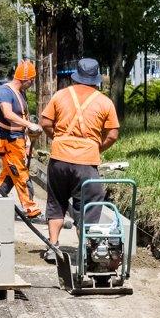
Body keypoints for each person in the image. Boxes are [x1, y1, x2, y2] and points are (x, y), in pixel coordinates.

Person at [39, 57, 119, 263]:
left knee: (56, 202)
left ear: (77, 77)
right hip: (86, 163)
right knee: (88, 205)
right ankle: (86, 249)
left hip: (59, 159)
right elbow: (112, 135)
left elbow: (45, 123)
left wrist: (58, 139)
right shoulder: (104, 102)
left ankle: (53, 246)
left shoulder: (60, 95)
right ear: (96, 79)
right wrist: (96, 147)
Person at [0, 61, 43, 219]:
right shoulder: (4, 92)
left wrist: (26, 138)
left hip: (17, 140)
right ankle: (31, 210)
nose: (32, 83)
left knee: (8, 175)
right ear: (25, 79)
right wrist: (30, 125)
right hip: (7, 141)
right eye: (31, 80)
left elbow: (21, 116)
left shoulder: (20, 92)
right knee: (20, 174)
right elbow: (7, 114)